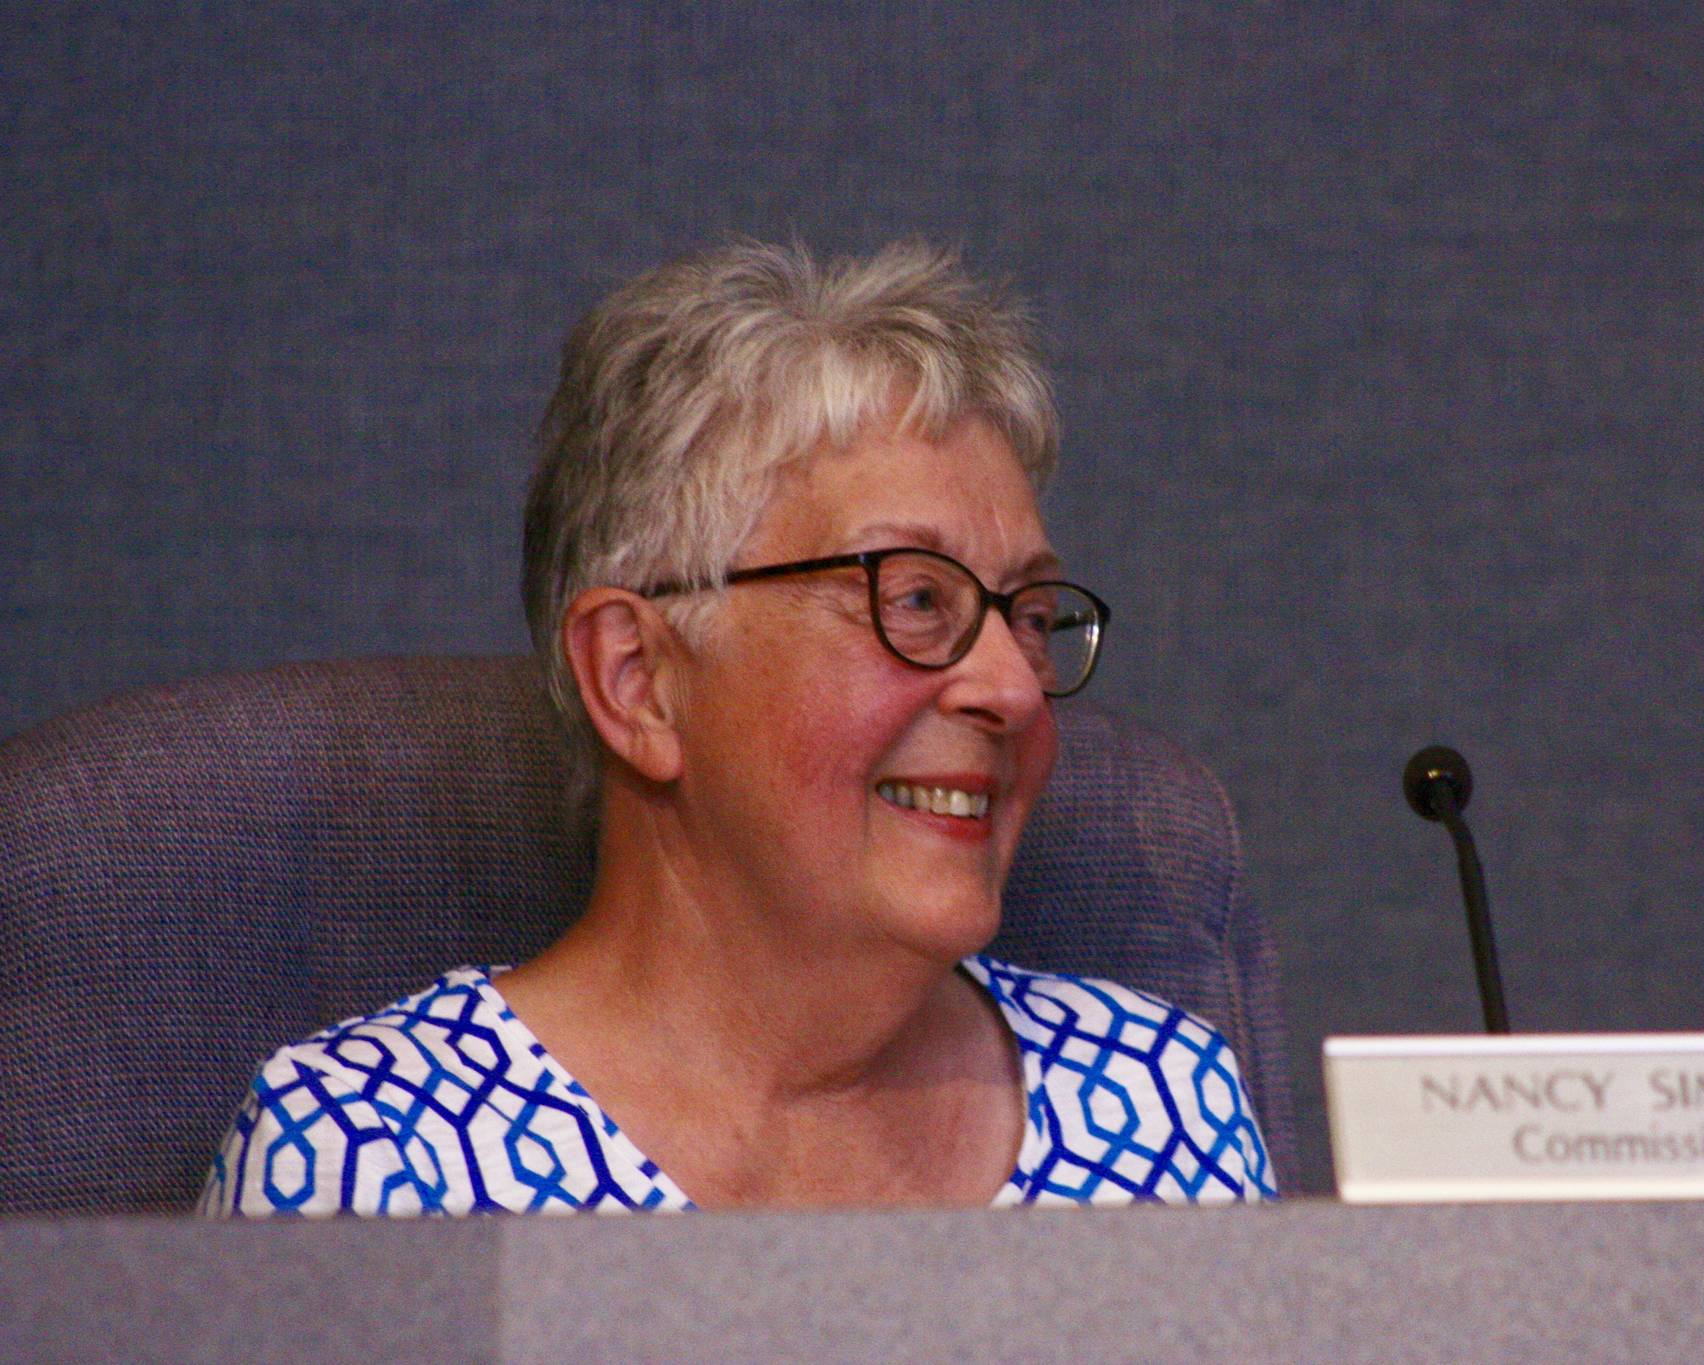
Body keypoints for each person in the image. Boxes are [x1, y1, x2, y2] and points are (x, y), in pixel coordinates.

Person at [201, 241, 1273, 1215]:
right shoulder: (380, 1159)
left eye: (1029, 616)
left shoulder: (1159, 1113)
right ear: (638, 681)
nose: (1012, 688)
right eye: (913, 601)